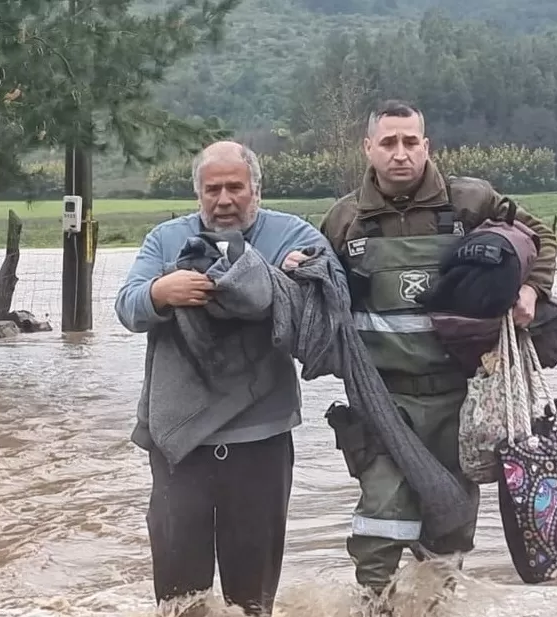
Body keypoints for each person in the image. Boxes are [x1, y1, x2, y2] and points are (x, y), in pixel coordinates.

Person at [318, 100, 557, 606]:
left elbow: (540, 236)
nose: (400, 153)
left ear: (426, 146)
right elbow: (315, 295)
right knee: (381, 517)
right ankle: (375, 605)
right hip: (382, 402)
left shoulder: (471, 202)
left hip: (459, 399)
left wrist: (531, 291)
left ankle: (438, 604)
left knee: (449, 531)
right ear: (368, 149)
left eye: (411, 142)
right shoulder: (344, 220)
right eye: (389, 143)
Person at [114, 140, 344, 616]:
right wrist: (163, 291)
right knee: (179, 599)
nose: (224, 200)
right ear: (198, 193)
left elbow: (333, 293)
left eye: (235, 188)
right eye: (212, 189)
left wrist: (292, 276)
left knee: (252, 598)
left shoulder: (290, 234)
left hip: (262, 437)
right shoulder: (165, 240)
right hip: (179, 444)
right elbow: (127, 307)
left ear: (256, 189)